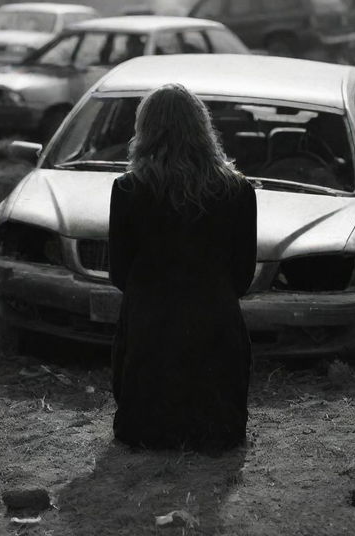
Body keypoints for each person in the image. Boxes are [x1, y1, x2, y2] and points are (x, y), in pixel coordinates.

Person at [108, 83, 257, 452]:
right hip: (215, 317)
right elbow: (243, 275)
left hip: (149, 322)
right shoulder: (238, 190)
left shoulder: (127, 189)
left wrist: (149, 295)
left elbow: (118, 271)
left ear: (145, 130)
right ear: (203, 128)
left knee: (143, 427)